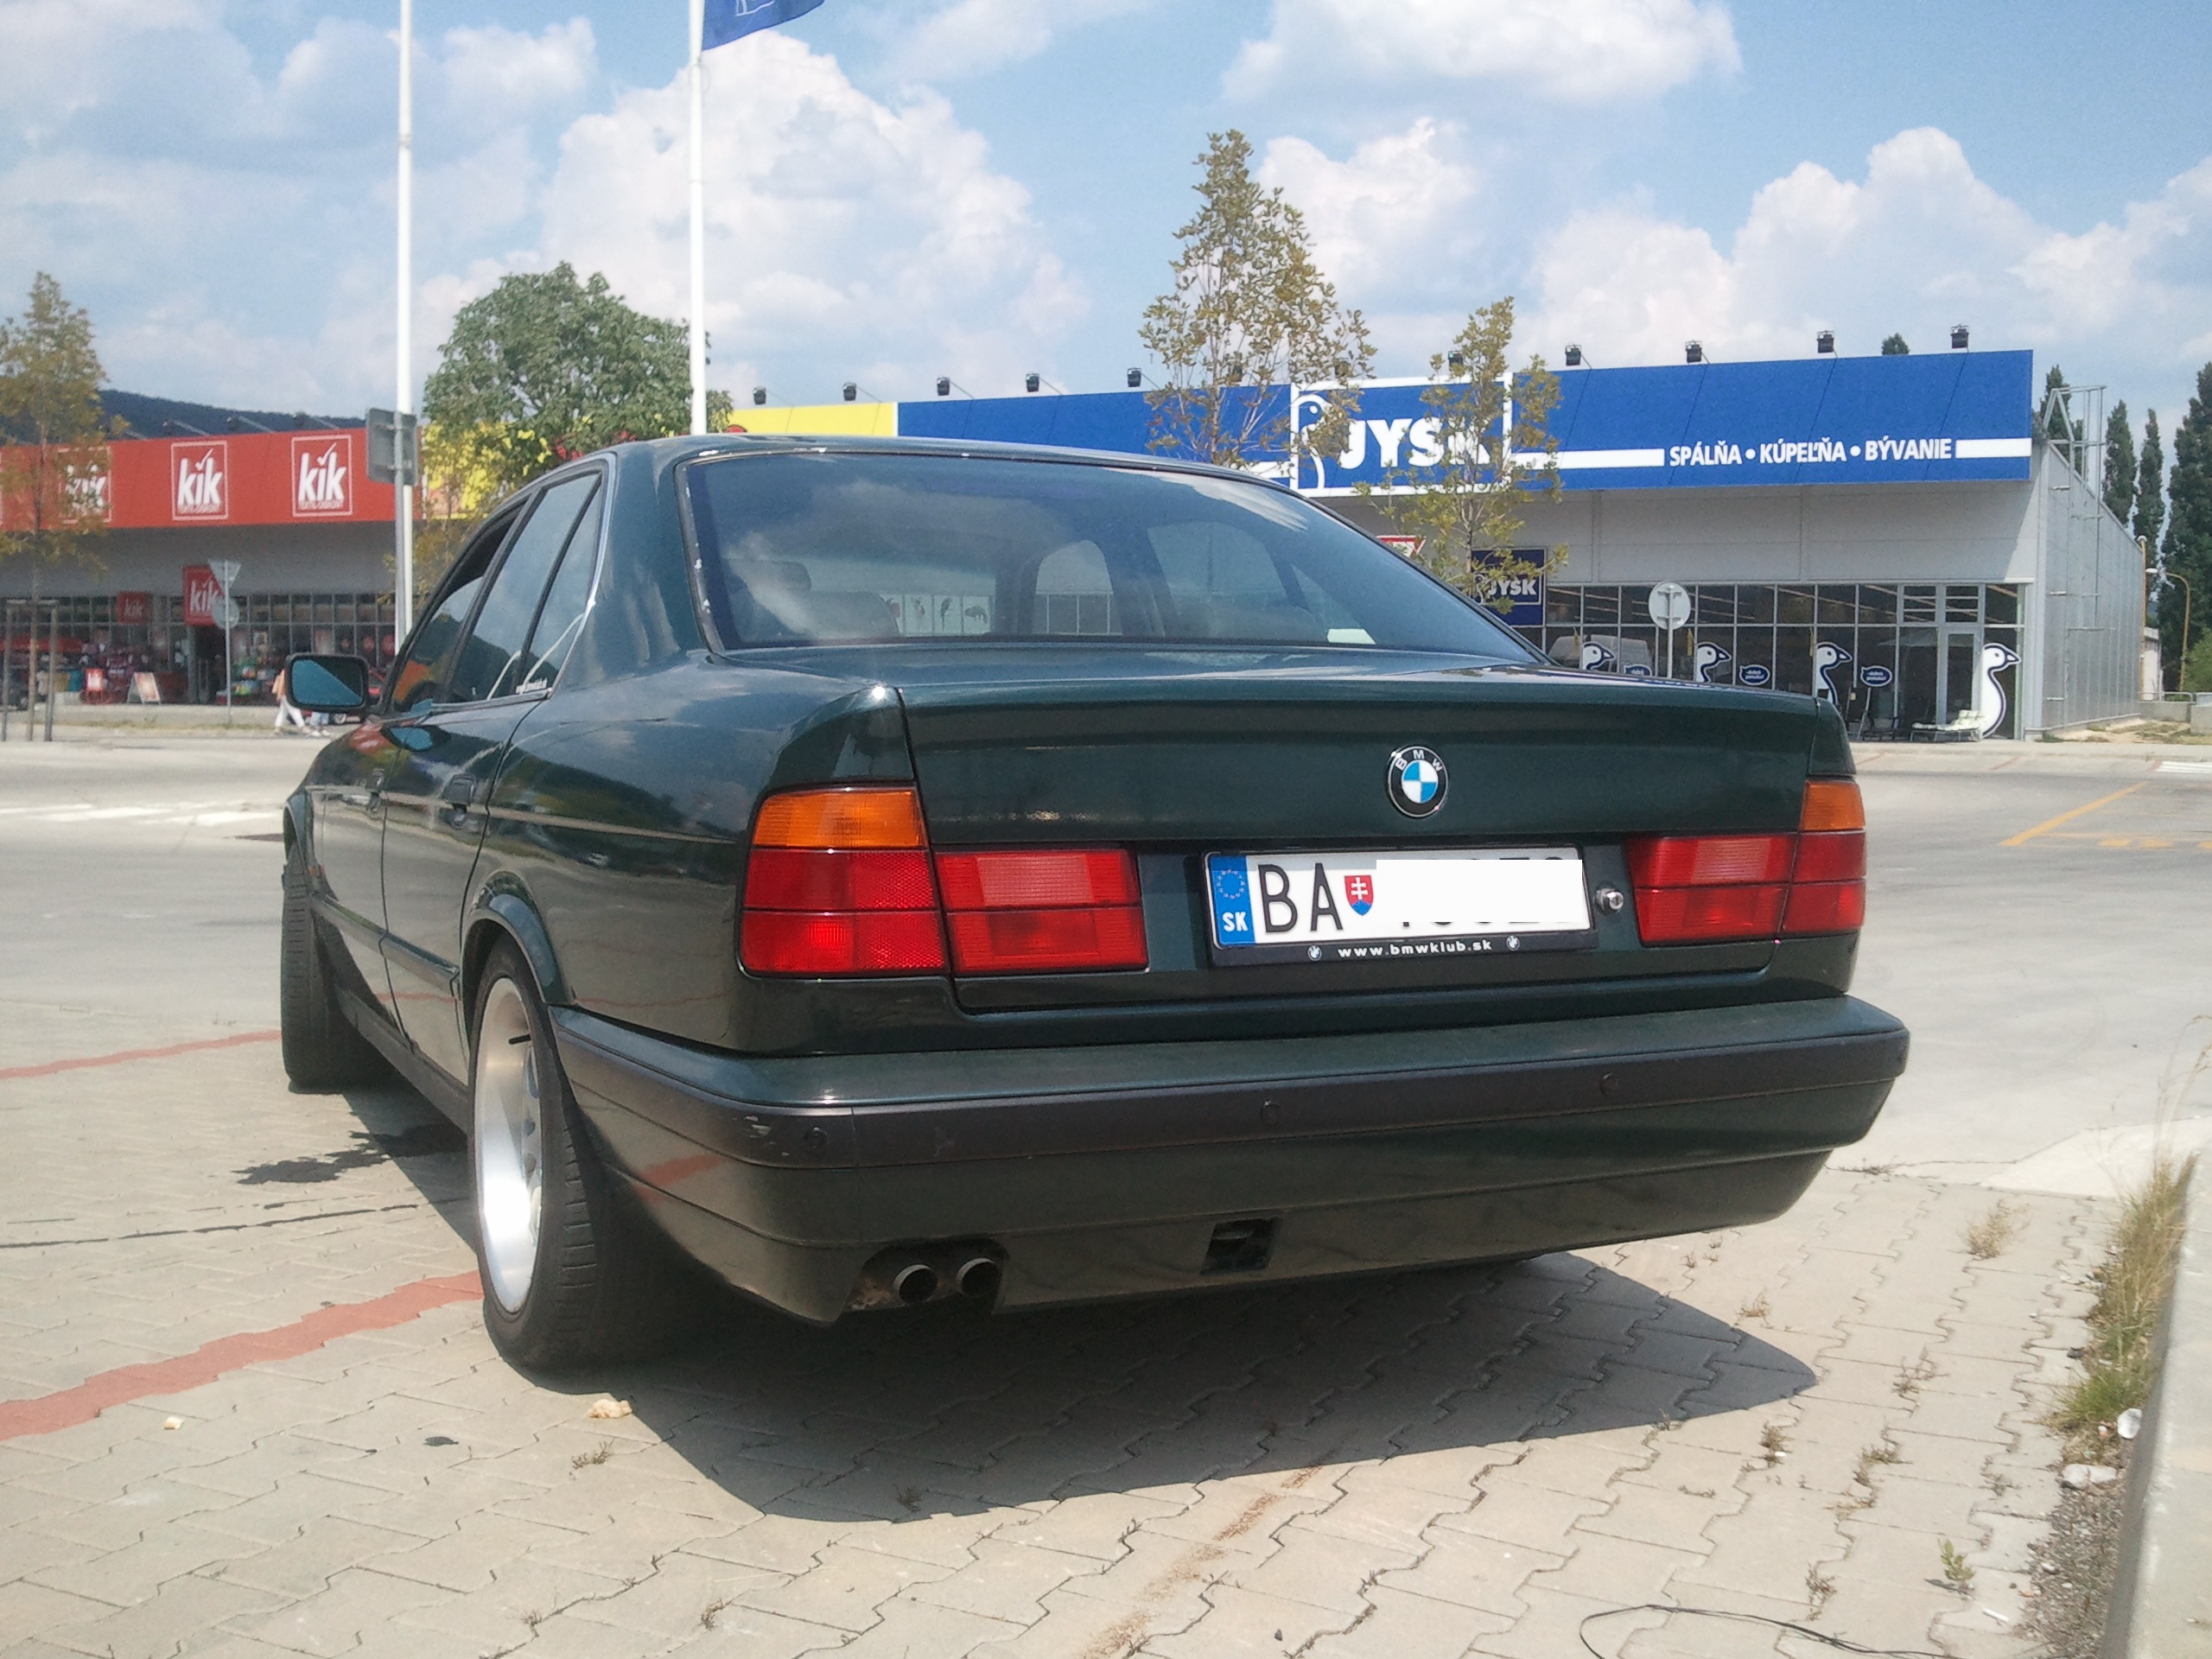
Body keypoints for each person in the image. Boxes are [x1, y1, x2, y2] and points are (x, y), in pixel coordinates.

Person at [272, 664, 311, 734]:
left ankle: (277, 728)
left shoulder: (287, 671)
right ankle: (302, 727)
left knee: (283, 712)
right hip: (286, 694)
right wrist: (279, 694)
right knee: (294, 710)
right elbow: (282, 683)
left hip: (285, 694)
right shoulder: (287, 672)